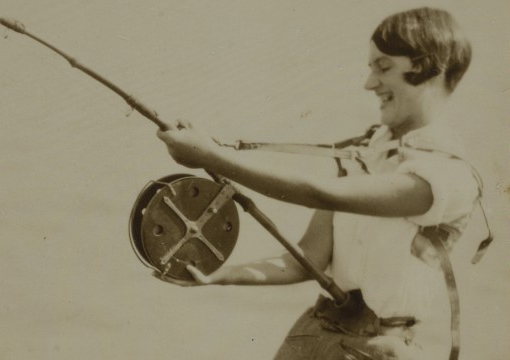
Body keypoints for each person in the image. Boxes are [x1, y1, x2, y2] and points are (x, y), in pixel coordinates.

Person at [157, 7, 478, 360]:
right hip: (311, 336)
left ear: (431, 67)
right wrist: (218, 274)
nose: (369, 84)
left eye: (384, 67)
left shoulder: (449, 176)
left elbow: (319, 192)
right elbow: (306, 258)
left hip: (379, 350)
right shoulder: (368, 154)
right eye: (371, 69)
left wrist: (212, 157)